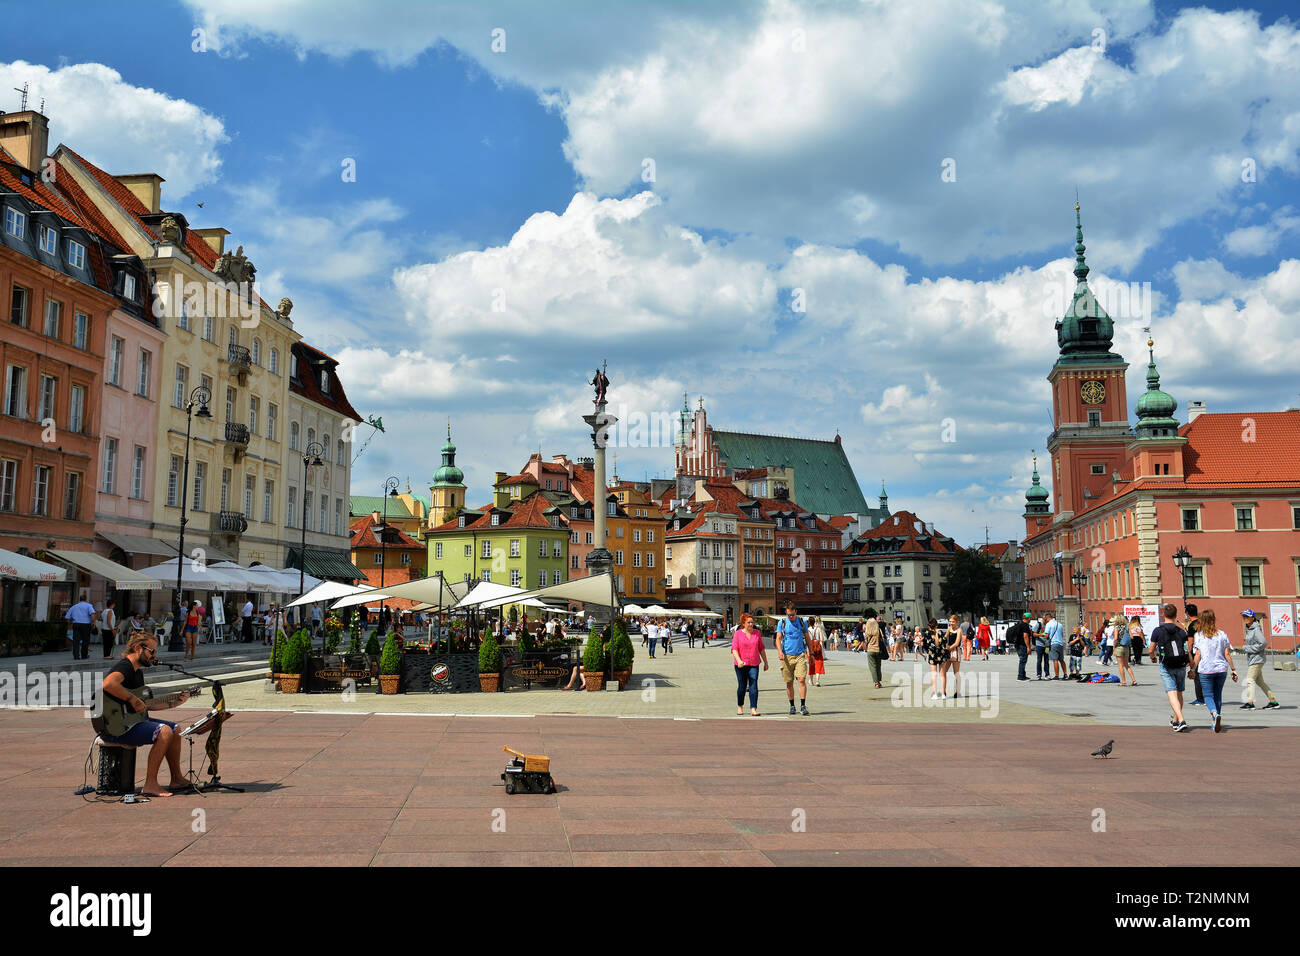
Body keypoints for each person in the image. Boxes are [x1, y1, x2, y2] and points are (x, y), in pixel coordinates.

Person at [97, 632, 196, 797]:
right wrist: (132, 699)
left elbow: (144, 706)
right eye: (152, 651)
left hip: (131, 721)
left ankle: (176, 778)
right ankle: (150, 784)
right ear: (138, 648)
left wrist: (176, 702)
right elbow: (108, 684)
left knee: (176, 729)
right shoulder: (125, 666)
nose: (154, 656)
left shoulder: (138, 673)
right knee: (164, 731)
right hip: (115, 726)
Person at [1190, 608, 1237, 733]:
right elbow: (1227, 654)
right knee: (1218, 695)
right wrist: (1233, 669)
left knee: (1208, 696)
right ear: (1214, 620)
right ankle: (1214, 720)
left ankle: (1215, 714)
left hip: (1206, 669)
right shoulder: (1222, 634)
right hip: (1221, 669)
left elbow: (1198, 655)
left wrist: (1192, 669)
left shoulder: (1198, 635)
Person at [1149, 603, 1190, 732]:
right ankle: (1175, 720)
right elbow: (1186, 649)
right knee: (1179, 693)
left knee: (1171, 693)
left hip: (1166, 664)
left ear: (1163, 615)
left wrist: (1153, 657)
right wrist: (1191, 664)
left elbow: (1151, 649)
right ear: (1176, 615)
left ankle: (1181, 719)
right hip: (1180, 664)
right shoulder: (1181, 631)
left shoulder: (1158, 630)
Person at [775, 603, 812, 716]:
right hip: (786, 656)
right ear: (786, 612)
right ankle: (792, 705)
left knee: (801, 679)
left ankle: (803, 705)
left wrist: (811, 651)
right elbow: (778, 638)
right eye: (788, 615)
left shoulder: (802, 622)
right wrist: (780, 652)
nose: (790, 617)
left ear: (796, 611)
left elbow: (807, 637)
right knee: (789, 682)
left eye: (792, 614)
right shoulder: (782, 622)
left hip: (800, 654)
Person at [1240, 610, 1279, 711]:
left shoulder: (1256, 629)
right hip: (1254, 658)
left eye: (1247, 616)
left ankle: (1250, 702)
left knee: (1249, 680)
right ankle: (1273, 701)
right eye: (1244, 616)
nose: (1245, 618)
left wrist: (1247, 648)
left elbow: (1263, 643)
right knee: (1260, 682)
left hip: (1257, 659)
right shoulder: (1250, 628)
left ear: (1253, 618)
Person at [732, 613, 769, 716]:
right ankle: (740, 706)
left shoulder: (757, 633)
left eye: (752, 622)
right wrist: (739, 661)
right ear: (743, 623)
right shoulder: (738, 634)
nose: (751, 624)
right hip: (741, 664)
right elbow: (734, 649)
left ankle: (753, 708)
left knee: (753, 685)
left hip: (754, 663)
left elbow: (761, 648)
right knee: (742, 686)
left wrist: (766, 663)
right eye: (748, 622)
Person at [65, 596, 96, 660]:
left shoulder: (74, 607)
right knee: (85, 640)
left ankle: (76, 656)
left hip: (76, 624)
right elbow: (92, 615)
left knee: (76, 641)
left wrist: (70, 624)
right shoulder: (89, 606)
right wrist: (93, 623)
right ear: (86, 599)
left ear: (80, 600)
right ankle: (84, 655)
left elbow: (67, 618)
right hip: (86, 625)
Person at [1007, 612, 1032, 682]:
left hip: (1017, 645)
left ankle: (1023, 675)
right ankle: (1020, 676)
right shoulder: (1025, 626)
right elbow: (1025, 636)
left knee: (1022, 660)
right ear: (1028, 618)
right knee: (1023, 660)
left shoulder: (1019, 624)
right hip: (1023, 645)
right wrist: (1028, 647)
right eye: (1030, 618)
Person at [1044, 610, 1066, 680]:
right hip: (1060, 643)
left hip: (1053, 643)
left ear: (1047, 618)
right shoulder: (1060, 624)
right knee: (1061, 660)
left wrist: (1042, 634)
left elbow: (1047, 635)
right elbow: (1062, 635)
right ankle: (1065, 674)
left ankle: (1057, 675)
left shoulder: (1048, 624)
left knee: (1055, 660)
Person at [863, 618, 885, 688]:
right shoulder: (878, 630)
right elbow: (883, 638)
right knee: (878, 666)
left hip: (870, 650)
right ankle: (879, 680)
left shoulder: (867, 631)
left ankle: (876, 682)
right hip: (878, 649)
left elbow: (866, 640)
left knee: (872, 666)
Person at [1032, 614, 1050, 679]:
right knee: (1039, 660)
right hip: (1039, 645)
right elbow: (1033, 634)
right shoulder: (1038, 624)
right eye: (1046, 619)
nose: (1047, 621)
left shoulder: (1048, 625)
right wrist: (1041, 634)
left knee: (1046, 660)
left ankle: (1047, 674)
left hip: (1047, 646)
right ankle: (1039, 674)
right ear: (1043, 618)